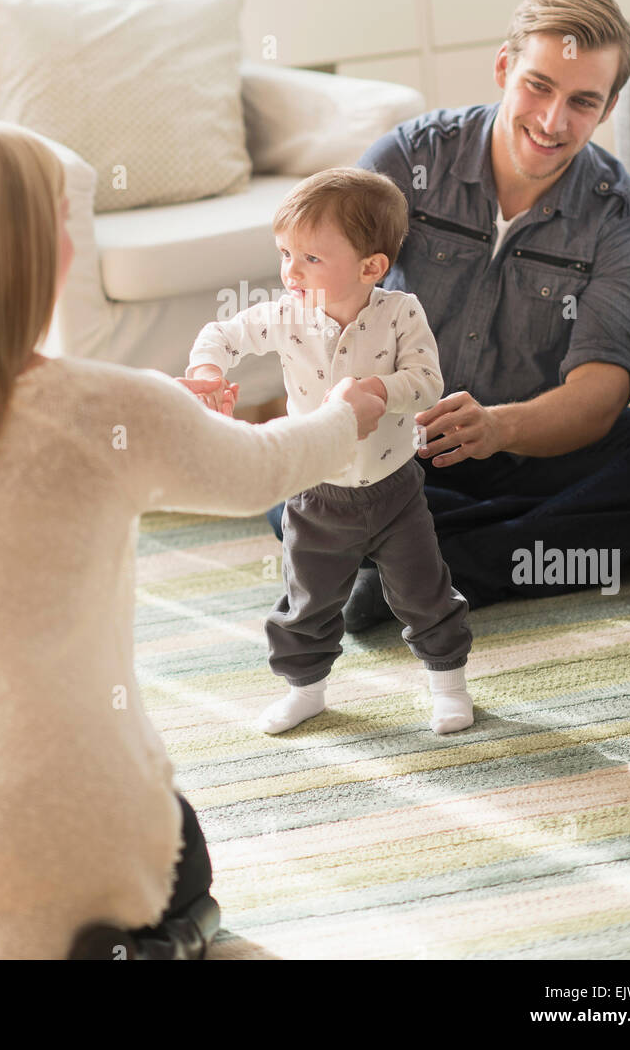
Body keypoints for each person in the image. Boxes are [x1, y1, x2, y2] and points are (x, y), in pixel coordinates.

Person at [0, 117, 384, 961]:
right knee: (181, 846)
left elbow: (23, 435)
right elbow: (261, 472)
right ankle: (153, 944)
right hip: (68, 850)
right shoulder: (111, 410)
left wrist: (150, 410)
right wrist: (350, 410)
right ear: (44, 249)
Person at [264, 0, 630, 623]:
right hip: (402, 445)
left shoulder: (621, 220)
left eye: (582, 102)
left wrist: (499, 427)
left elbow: (599, 396)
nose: (554, 121)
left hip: (534, 446)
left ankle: (427, 569)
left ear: (610, 106)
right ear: (504, 67)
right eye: (538, 86)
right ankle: (604, 542)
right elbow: (316, 285)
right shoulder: (411, 160)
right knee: (287, 497)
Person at [186, 169, 474, 737]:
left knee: (424, 591)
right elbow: (222, 336)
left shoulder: (400, 313)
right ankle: (305, 690)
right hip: (315, 490)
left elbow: (426, 382)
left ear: (372, 267)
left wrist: (379, 391)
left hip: (394, 492)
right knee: (308, 601)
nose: (290, 271)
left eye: (310, 259)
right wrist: (207, 371)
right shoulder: (286, 315)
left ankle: (448, 685)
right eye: (284, 253)